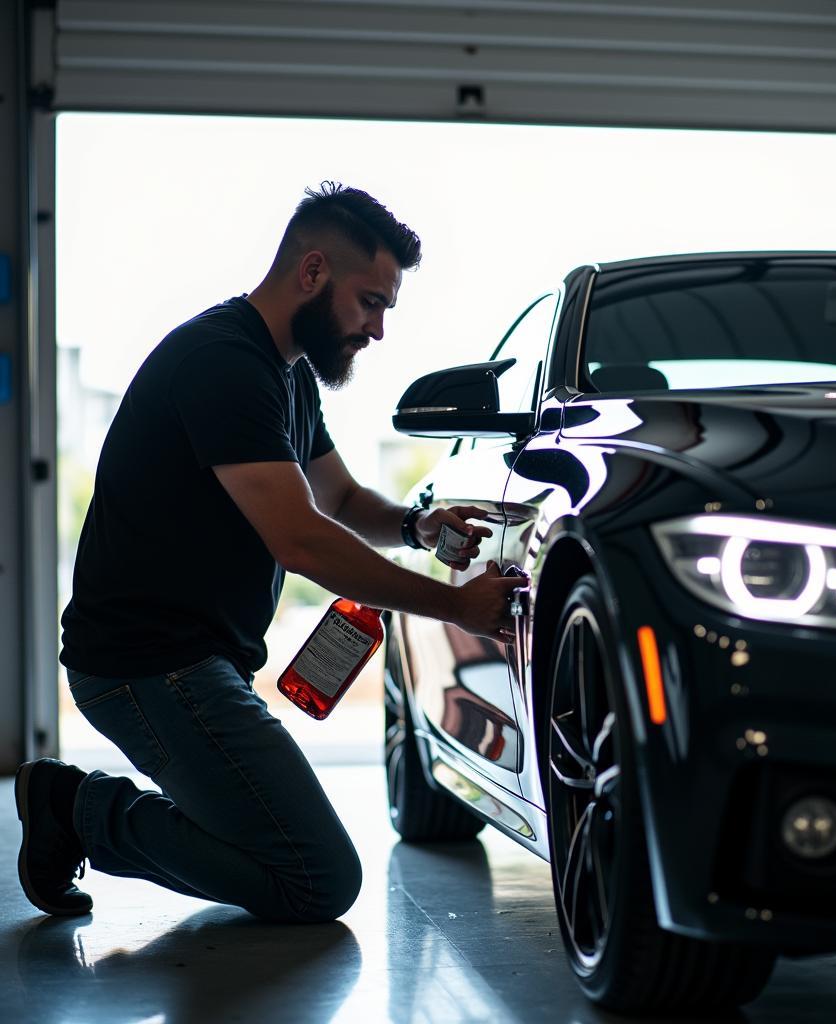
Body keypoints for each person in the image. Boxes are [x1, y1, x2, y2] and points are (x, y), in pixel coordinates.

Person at [16, 182, 524, 922]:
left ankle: (81, 810)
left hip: (197, 664)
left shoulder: (286, 375)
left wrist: (419, 526)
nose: (378, 329)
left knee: (286, 857)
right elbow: (301, 537)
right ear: (313, 272)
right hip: (146, 667)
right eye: (371, 301)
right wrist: (455, 606)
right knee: (316, 878)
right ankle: (76, 809)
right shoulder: (223, 363)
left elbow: (342, 502)